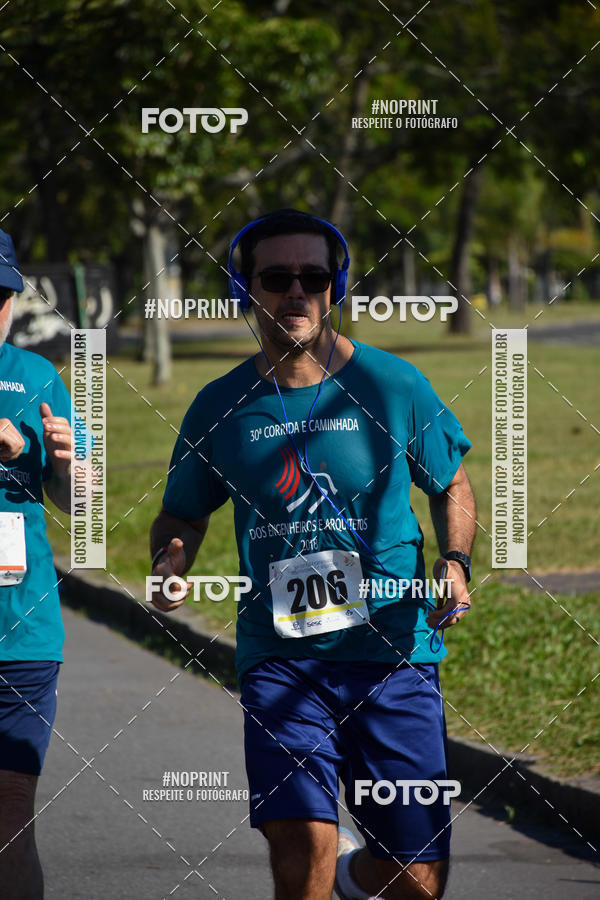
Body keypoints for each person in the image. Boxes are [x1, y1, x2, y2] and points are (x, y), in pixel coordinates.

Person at [149, 209, 476, 900]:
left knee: (415, 875)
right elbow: (182, 511)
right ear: (246, 289)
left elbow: (451, 483)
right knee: (304, 840)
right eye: (276, 277)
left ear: (337, 287)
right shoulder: (219, 406)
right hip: (280, 651)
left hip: (393, 651)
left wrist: (455, 560)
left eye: (314, 277)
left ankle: (363, 879)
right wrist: (171, 561)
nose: (296, 292)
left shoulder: (393, 386)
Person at [0, 230, 73, 899]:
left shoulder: (36, 377)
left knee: (10, 816)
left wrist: (65, 459)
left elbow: (78, 505)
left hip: (21, 631)